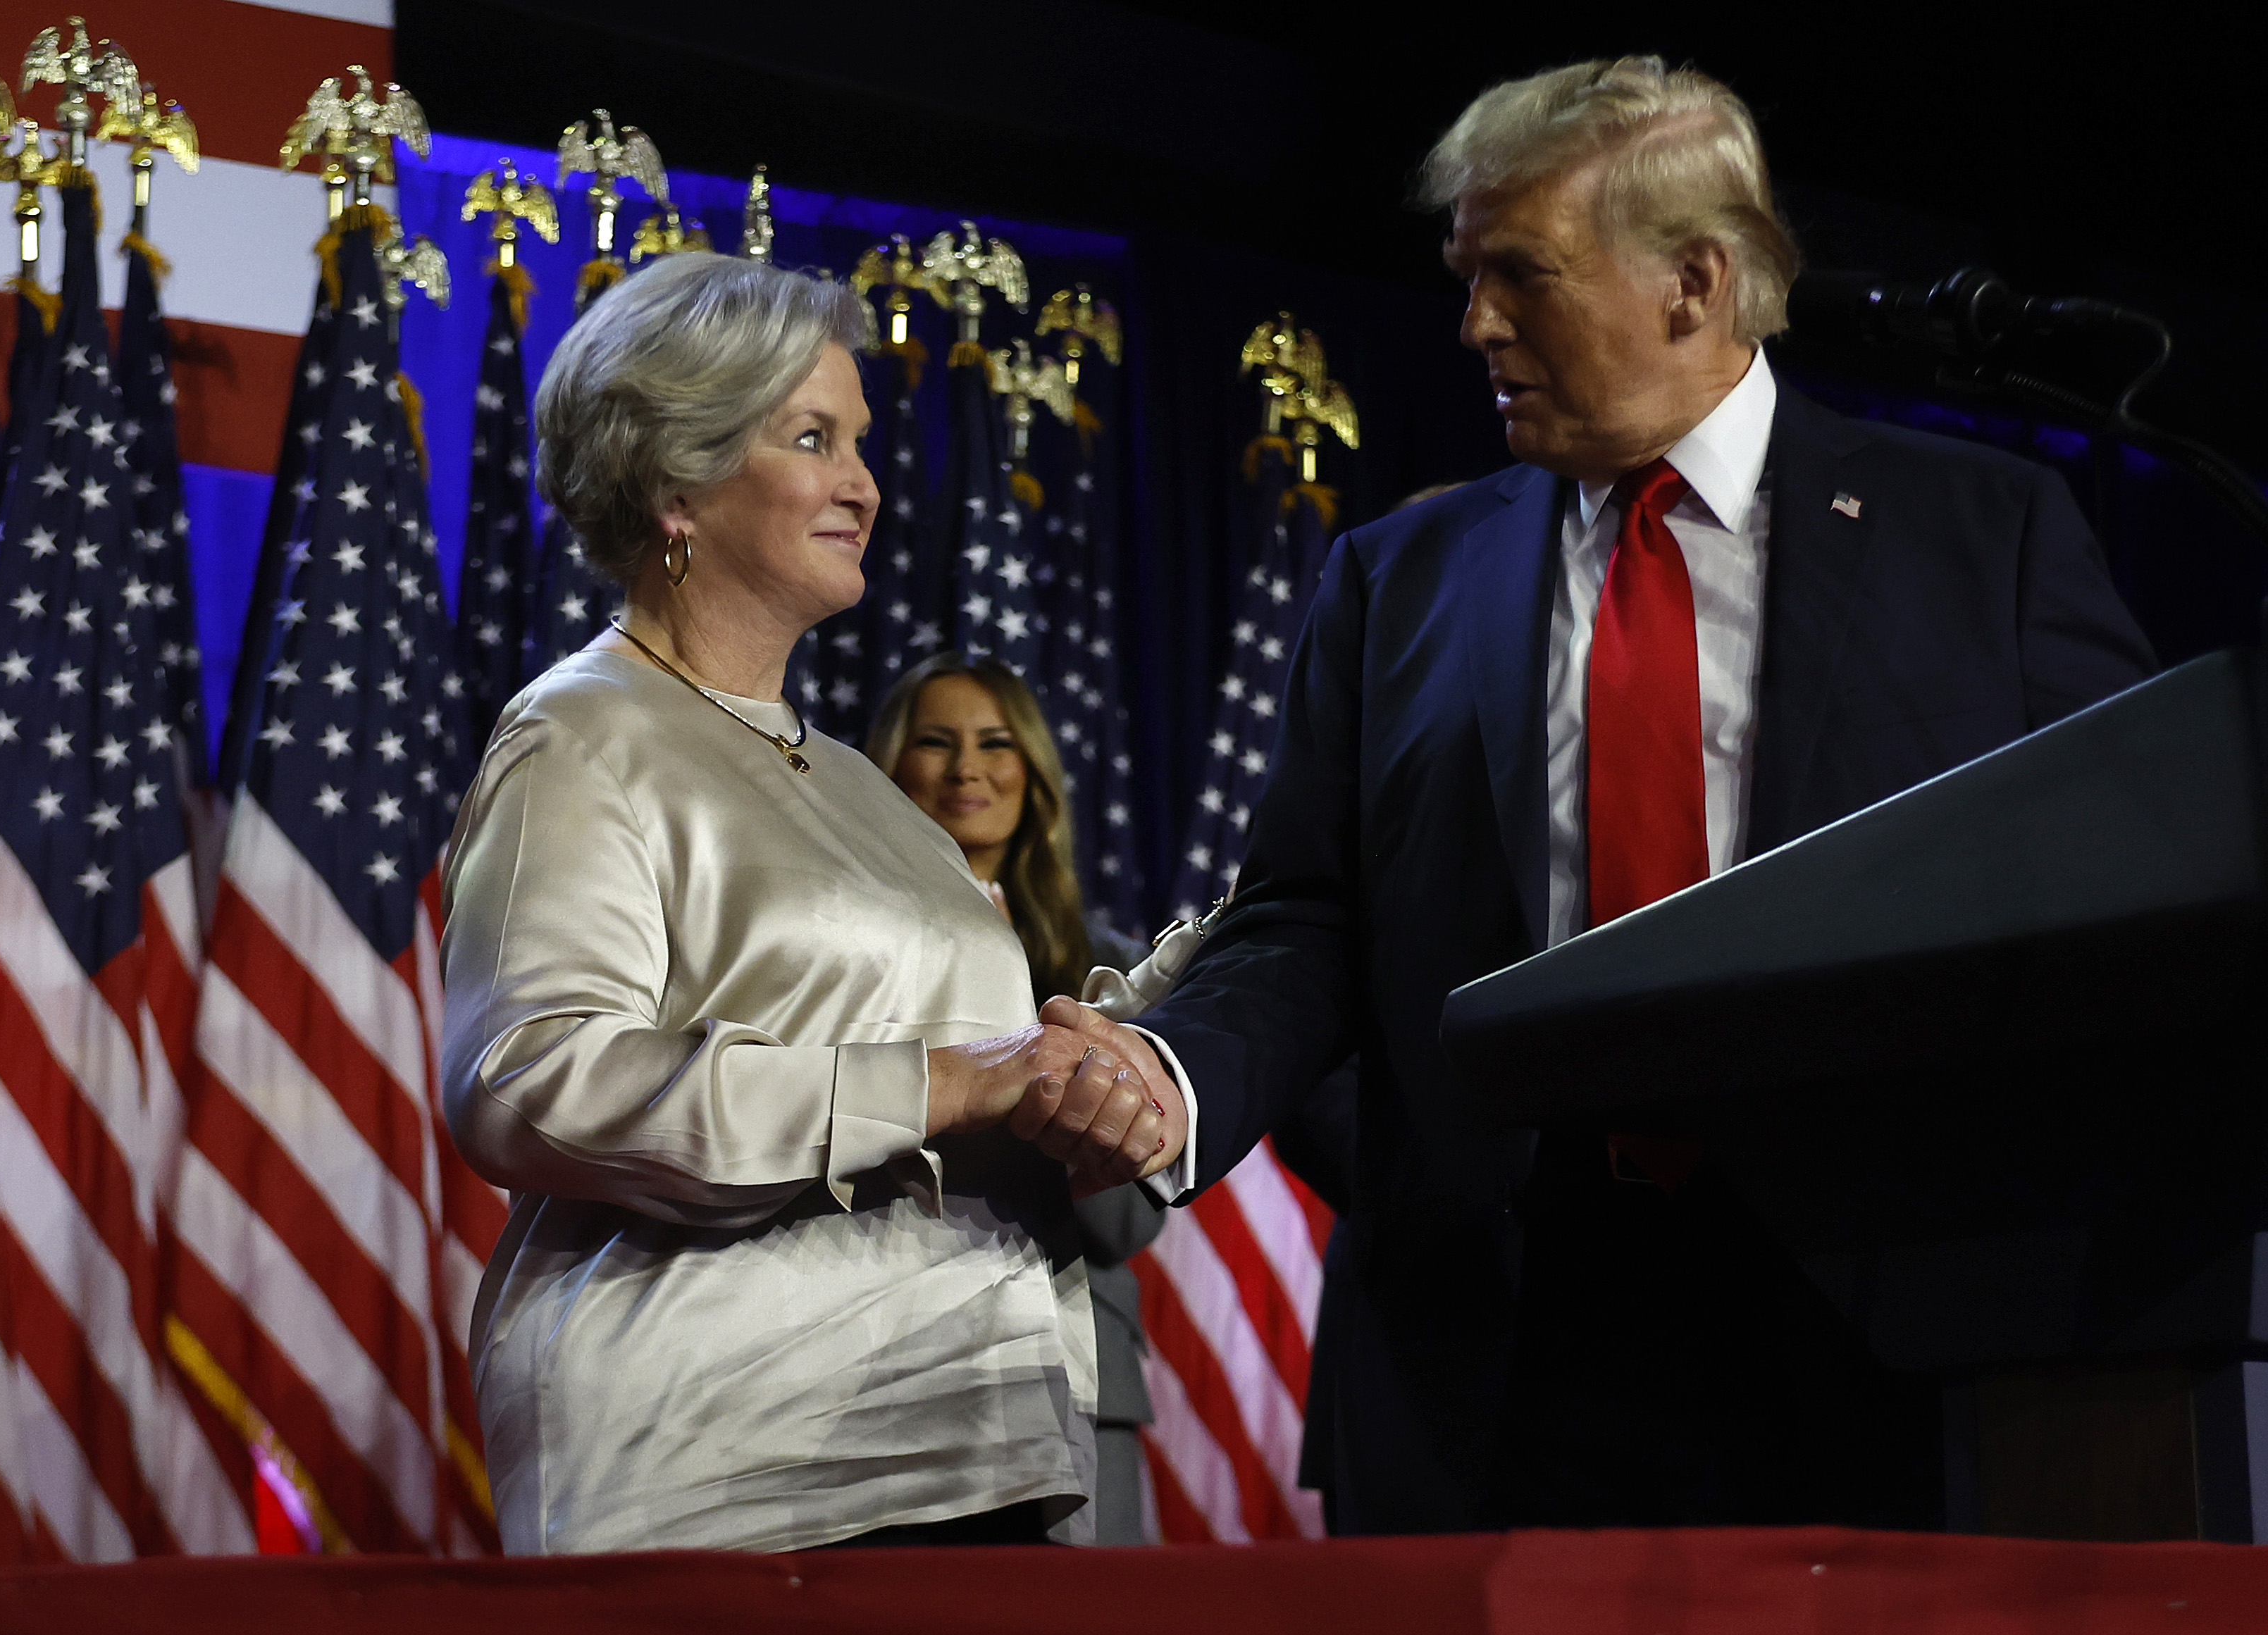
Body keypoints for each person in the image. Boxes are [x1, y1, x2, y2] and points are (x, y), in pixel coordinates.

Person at [1133, 56, 2156, 1534]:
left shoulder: (1983, 535)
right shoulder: (1395, 578)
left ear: (1694, 281)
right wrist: (1211, 1091)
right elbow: (1309, 916)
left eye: (1521, 274)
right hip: (1493, 1345)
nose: (1476, 321)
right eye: (1465, 274)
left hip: (1880, 1329)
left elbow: (2112, 900)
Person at [438, 252, 1188, 1555]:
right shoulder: (580, 735)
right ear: (677, 481)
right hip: (732, 1473)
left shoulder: (859, 784)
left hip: (980, 1453)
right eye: (811, 438)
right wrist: (945, 1084)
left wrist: (1086, 1070)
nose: (863, 483)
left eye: (861, 441)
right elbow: (524, 1079)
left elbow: (967, 1064)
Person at [867, 652, 1164, 1546]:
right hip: (885, 1367)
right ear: (889, 767)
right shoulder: (837, 959)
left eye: (995, 742)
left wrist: (1012, 1019)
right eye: (936, 741)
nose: (967, 768)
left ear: (1032, 771)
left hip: (1077, 1373)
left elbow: (1127, 1226)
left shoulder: (1107, 968)